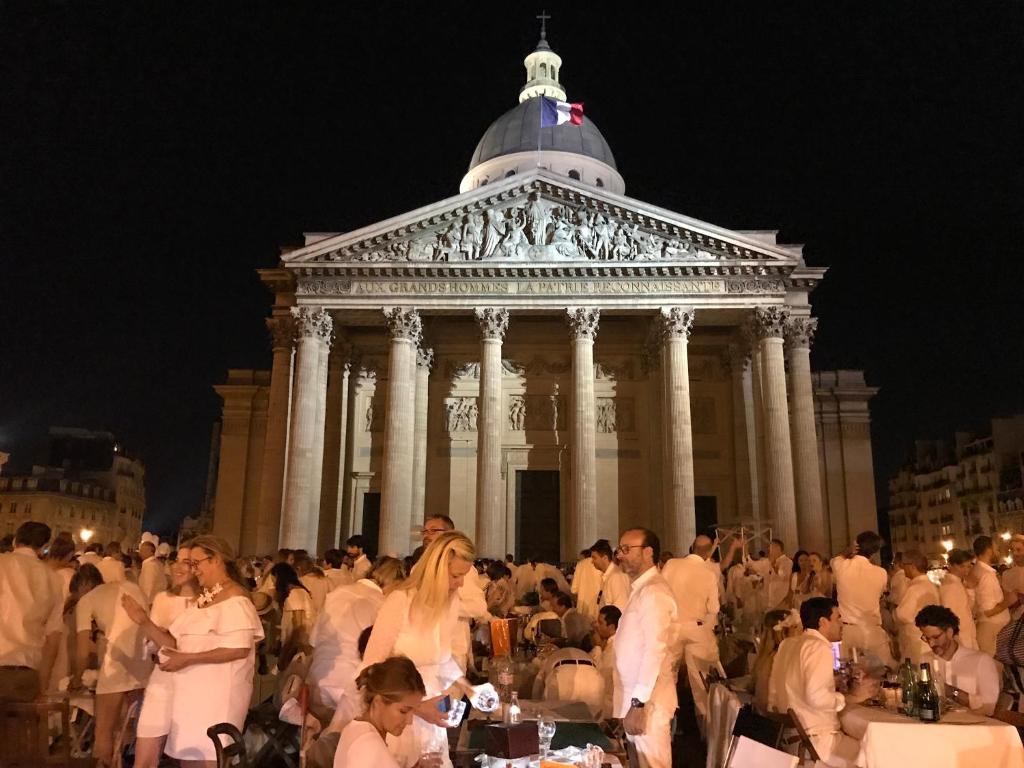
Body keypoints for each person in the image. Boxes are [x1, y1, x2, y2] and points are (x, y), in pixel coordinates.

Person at [122, 534, 264, 766]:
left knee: (207, 758)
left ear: (216, 560)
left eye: (196, 563)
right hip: (190, 697)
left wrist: (188, 659)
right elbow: (175, 644)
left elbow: (239, 648)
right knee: (188, 758)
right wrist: (143, 621)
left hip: (216, 698)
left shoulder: (235, 598)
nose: (194, 570)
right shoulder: (205, 599)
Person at [361, 532, 478, 766]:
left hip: (432, 716)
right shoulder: (400, 601)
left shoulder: (451, 603)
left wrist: (470, 688)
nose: (461, 583)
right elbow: (370, 672)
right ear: (436, 570)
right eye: (456, 575)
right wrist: (417, 708)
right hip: (399, 718)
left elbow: (441, 658)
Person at [768, 597, 878, 767]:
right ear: (823, 622)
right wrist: (853, 697)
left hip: (789, 741)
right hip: (817, 744)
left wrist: (833, 683)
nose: (842, 623)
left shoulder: (787, 645)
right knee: (879, 754)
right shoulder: (818, 646)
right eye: (838, 618)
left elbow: (777, 692)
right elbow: (817, 698)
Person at [74, 564, 153, 767]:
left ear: (83, 586)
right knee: (129, 727)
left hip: (115, 667)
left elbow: (82, 652)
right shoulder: (132, 587)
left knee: (104, 731)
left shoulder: (86, 600)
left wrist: (76, 678)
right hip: (144, 665)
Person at [309, 556, 405, 722]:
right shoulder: (383, 604)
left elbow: (313, 641)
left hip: (317, 681)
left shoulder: (336, 594)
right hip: (351, 687)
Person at [614, 528, 678, 768]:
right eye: (619, 549)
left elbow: (655, 649)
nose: (620, 555)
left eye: (626, 549)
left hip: (649, 702)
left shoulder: (654, 591)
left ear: (648, 552)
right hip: (637, 698)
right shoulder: (642, 589)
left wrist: (638, 703)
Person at [133, 544, 200, 768]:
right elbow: (152, 645)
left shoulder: (209, 603)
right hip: (162, 680)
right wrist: (154, 634)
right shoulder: (162, 598)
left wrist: (155, 630)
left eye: (186, 562)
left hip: (195, 683)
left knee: (190, 756)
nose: (178, 567)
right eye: (176, 561)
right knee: (145, 754)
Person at [412, 514, 490, 673]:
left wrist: (440, 604)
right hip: (422, 651)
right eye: (425, 531)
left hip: (452, 652)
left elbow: (478, 607)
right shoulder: (417, 568)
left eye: (433, 530)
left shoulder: (461, 568)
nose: (427, 535)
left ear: (449, 535)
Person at [0, 521, 64, 701]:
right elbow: (53, 637)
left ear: (15, 541)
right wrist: (43, 685)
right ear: (44, 547)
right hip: (26, 671)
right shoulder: (53, 578)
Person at [661, 535, 720, 722]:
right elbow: (714, 609)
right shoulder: (709, 574)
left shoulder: (671, 564)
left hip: (672, 627)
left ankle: (667, 720)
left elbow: (660, 593)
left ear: (692, 547)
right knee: (700, 681)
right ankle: (705, 727)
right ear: (708, 552)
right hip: (697, 628)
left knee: (667, 676)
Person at [333, 656, 427, 768]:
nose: (409, 721)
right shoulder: (368, 744)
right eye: (403, 711)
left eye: (413, 710)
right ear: (378, 702)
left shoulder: (357, 730)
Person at [915, 604, 1000, 716]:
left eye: (936, 637)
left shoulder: (981, 661)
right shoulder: (925, 659)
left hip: (971, 723)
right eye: (927, 638)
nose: (931, 644)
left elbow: (989, 708)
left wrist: (952, 692)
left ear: (950, 632)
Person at [830, 531, 896, 668]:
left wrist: (847, 551)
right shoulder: (881, 573)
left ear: (856, 545)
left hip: (848, 630)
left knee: (846, 673)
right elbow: (881, 595)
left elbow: (835, 560)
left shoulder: (841, 565)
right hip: (873, 630)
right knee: (883, 671)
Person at [749, 608, 802, 713]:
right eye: (795, 627)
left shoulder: (763, 658)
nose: (800, 631)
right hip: (780, 717)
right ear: (784, 631)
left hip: (763, 715)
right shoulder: (783, 658)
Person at [894, 550, 940, 665]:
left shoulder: (915, 588)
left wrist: (894, 611)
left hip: (916, 640)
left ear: (912, 566)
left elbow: (903, 615)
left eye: (904, 565)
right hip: (929, 638)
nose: (902, 568)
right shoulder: (932, 586)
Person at [531, 641, 603, 712]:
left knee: (555, 714)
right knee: (591, 715)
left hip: (562, 675)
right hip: (593, 677)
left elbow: (537, 686)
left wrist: (535, 707)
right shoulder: (580, 653)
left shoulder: (548, 659)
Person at [972, 535, 1013, 655]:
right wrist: (1009, 600)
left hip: (990, 628)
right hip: (991, 630)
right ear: (989, 550)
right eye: (996, 548)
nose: (998, 551)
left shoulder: (979, 571)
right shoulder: (986, 575)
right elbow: (988, 611)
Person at [270, 561, 313, 663]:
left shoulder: (294, 593)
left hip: (298, 645)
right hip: (298, 642)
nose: (273, 582)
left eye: (273, 579)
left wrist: (287, 650)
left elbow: (298, 625)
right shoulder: (298, 591)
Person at [940, 549, 978, 650]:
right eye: (962, 566)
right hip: (960, 635)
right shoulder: (950, 585)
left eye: (968, 566)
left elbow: (968, 607)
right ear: (951, 565)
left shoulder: (958, 583)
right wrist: (955, 637)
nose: (966, 570)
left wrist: (970, 589)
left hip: (966, 631)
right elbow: (949, 614)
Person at [591, 605, 619, 719]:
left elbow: (599, 674)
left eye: (600, 623)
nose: (596, 626)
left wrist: (597, 647)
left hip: (609, 702)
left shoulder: (614, 647)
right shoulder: (612, 643)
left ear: (611, 627)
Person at [591, 538, 630, 611]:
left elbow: (620, 609)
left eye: (594, 558)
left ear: (605, 558)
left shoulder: (616, 577)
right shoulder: (607, 575)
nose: (592, 561)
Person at [295, 551, 329, 620]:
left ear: (298, 568)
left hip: (306, 620)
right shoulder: (326, 580)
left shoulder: (300, 582)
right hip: (323, 619)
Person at [571, 548, 602, 619]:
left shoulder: (580, 565)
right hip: (598, 609)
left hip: (583, 609)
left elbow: (573, 589)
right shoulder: (601, 565)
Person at [138, 540, 169, 606]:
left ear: (150, 551)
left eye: (142, 550)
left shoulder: (150, 565)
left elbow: (148, 587)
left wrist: (144, 604)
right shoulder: (157, 563)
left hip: (150, 603)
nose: (140, 552)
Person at [765, 539, 793, 610]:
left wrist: (774, 566)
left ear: (777, 548)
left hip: (781, 598)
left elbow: (784, 576)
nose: (769, 549)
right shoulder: (772, 561)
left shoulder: (787, 561)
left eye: (770, 547)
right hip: (772, 599)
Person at [1002, 534, 1024, 621]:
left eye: (1018, 550)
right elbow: (1006, 601)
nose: (1015, 553)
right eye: (1012, 550)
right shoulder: (1006, 574)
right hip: (1015, 621)